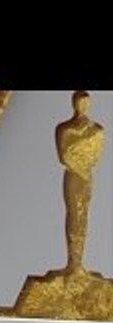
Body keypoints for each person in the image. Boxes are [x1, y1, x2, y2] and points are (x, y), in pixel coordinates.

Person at [55, 90, 104, 274]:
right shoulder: (64, 129)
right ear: (73, 103)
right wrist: (80, 163)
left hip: (86, 177)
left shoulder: (97, 130)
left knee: (83, 216)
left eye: (85, 102)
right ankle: (72, 262)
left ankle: (79, 264)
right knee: (73, 214)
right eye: (79, 102)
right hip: (74, 176)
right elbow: (63, 156)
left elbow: (96, 155)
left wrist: (82, 161)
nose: (82, 106)